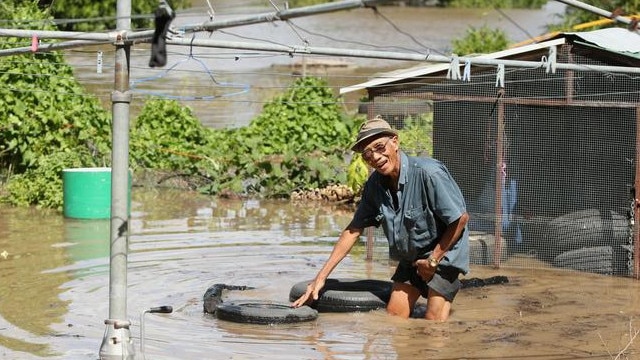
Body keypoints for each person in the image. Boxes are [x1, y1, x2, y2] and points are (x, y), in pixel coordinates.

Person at [291, 116, 470, 321]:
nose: (375, 157)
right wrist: (320, 278)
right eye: (367, 154)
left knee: (433, 324)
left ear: (395, 141)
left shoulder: (429, 173)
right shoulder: (374, 186)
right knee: (394, 318)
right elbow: (352, 231)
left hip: (443, 254)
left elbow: (460, 219)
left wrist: (433, 260)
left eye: (379, 147)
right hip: (411, 256)